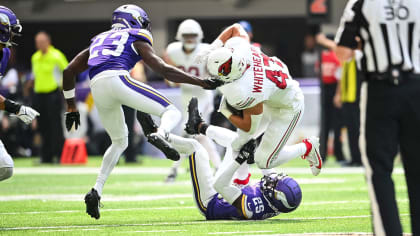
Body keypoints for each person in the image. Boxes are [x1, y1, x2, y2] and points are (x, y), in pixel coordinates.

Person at [62, 4, 221, 220]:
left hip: (96, 86)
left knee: (119, 142)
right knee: (171, 111)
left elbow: (69, 70)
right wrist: (201, 82)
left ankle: (96, 190)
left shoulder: (99, 39)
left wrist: (71, 107)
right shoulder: (135, 36)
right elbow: (163, 69)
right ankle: (160, 133)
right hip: (118, 78)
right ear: (134, 20)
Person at [137, 99, 302, 220]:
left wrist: (241, 160)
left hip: (211, 200)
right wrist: (254, 151)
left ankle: (158, 132)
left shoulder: (251, 207)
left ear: (277, 197)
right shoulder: (275, 200)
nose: (272, 180)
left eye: (274, 184)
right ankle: (199, 126)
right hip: (236, 188)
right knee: (239, 142)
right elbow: (266, 164)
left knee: (196, 148)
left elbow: (220, 185)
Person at [335, 0, 420, 235]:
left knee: (380, 170)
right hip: (417, 87)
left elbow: (342, 52)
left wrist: (363, 46)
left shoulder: (361, 3)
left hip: (381, 90)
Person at [195, 23, 322, 175]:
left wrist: (225, 110)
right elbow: (235, 28)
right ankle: (240, 182)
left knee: (264, 160)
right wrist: (212, 48)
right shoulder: (241, 50)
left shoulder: (246, 90)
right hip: (272, 96)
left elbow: (249, 126)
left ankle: (308, 146)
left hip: (288, 106)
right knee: (238, 143)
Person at [163, 19, 220, 182]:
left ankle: (174, 170)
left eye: (192, 35)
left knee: (190, 131)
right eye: (186, 35)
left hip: (203, 95)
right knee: (198, 134)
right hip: (186, 96)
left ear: (199, 36)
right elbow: (170, 79)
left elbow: (213, 75)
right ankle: (218, 167)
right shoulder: (173, 51)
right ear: (180, 36)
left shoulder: (206, 51)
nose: (189, 39)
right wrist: (172, 76)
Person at [0, 6, 39, 181]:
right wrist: (15, 108)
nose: (13, 35)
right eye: (11, 30)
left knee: (5, 167)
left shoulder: (4, 53)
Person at [31, 31, 68, 163]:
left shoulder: (56, 56)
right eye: (37, 43)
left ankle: (59, 155)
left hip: (53, 94)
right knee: (42, 126)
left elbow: (68, 72)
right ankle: (45, 157)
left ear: (48, 42)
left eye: (42, 42)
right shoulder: (35, 57)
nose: (39, 45)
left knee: (55, 126)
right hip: (39, 95)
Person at [317, 38, 345, 164]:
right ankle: (323, 154)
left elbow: (339, 75)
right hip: (326, 89)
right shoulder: (322, 56)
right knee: (326, 124)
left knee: (336, 124)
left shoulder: (335, 56)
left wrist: (338, 94)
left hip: (334, 89)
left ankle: (337, 154)